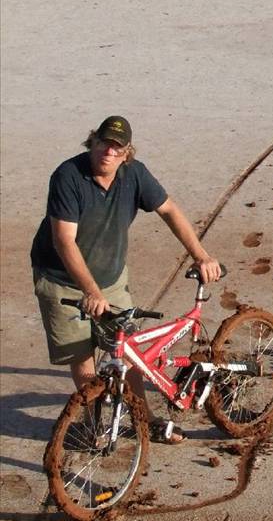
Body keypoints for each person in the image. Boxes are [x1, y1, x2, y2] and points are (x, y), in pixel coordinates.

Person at [31, 115, 222, 444]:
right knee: (80, 353)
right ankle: (95, 422)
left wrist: (201, 255)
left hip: (110, 276)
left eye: (117, 147)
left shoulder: (135, 175)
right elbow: (64, 241)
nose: (109, 150)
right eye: (104, 142)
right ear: (93, 141)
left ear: (126, 153)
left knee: (128, 351)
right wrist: (91, 291)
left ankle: (143, 419)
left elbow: (169, 210)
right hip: (61, 277)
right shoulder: (67, 176)